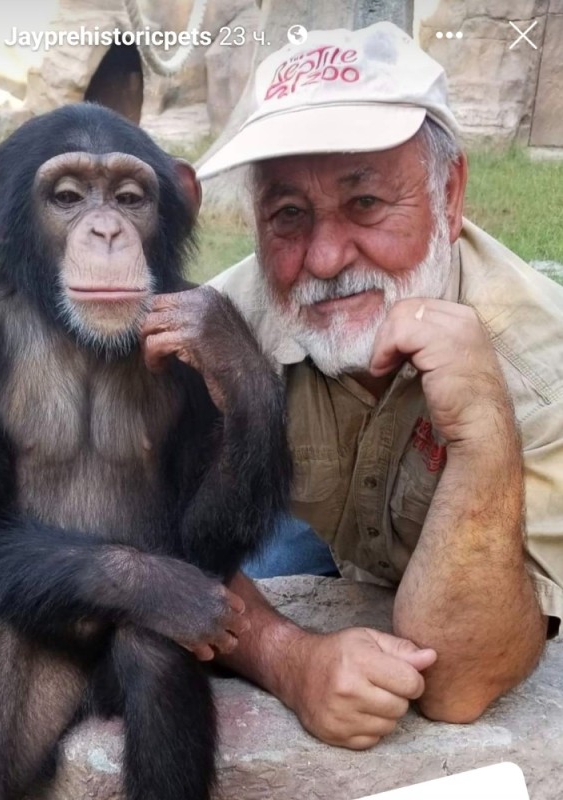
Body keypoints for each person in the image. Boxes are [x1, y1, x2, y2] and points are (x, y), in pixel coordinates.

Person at [196, 22, 563, 751]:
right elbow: (135, 545)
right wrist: (284, 655)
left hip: (470, 569)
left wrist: (482, 435)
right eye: (288, 216)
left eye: (366, 204)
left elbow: (459, 684)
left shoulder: (544, 367)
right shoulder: (222, 334)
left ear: (449, 195)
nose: (325, 258)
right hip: (321, 532)